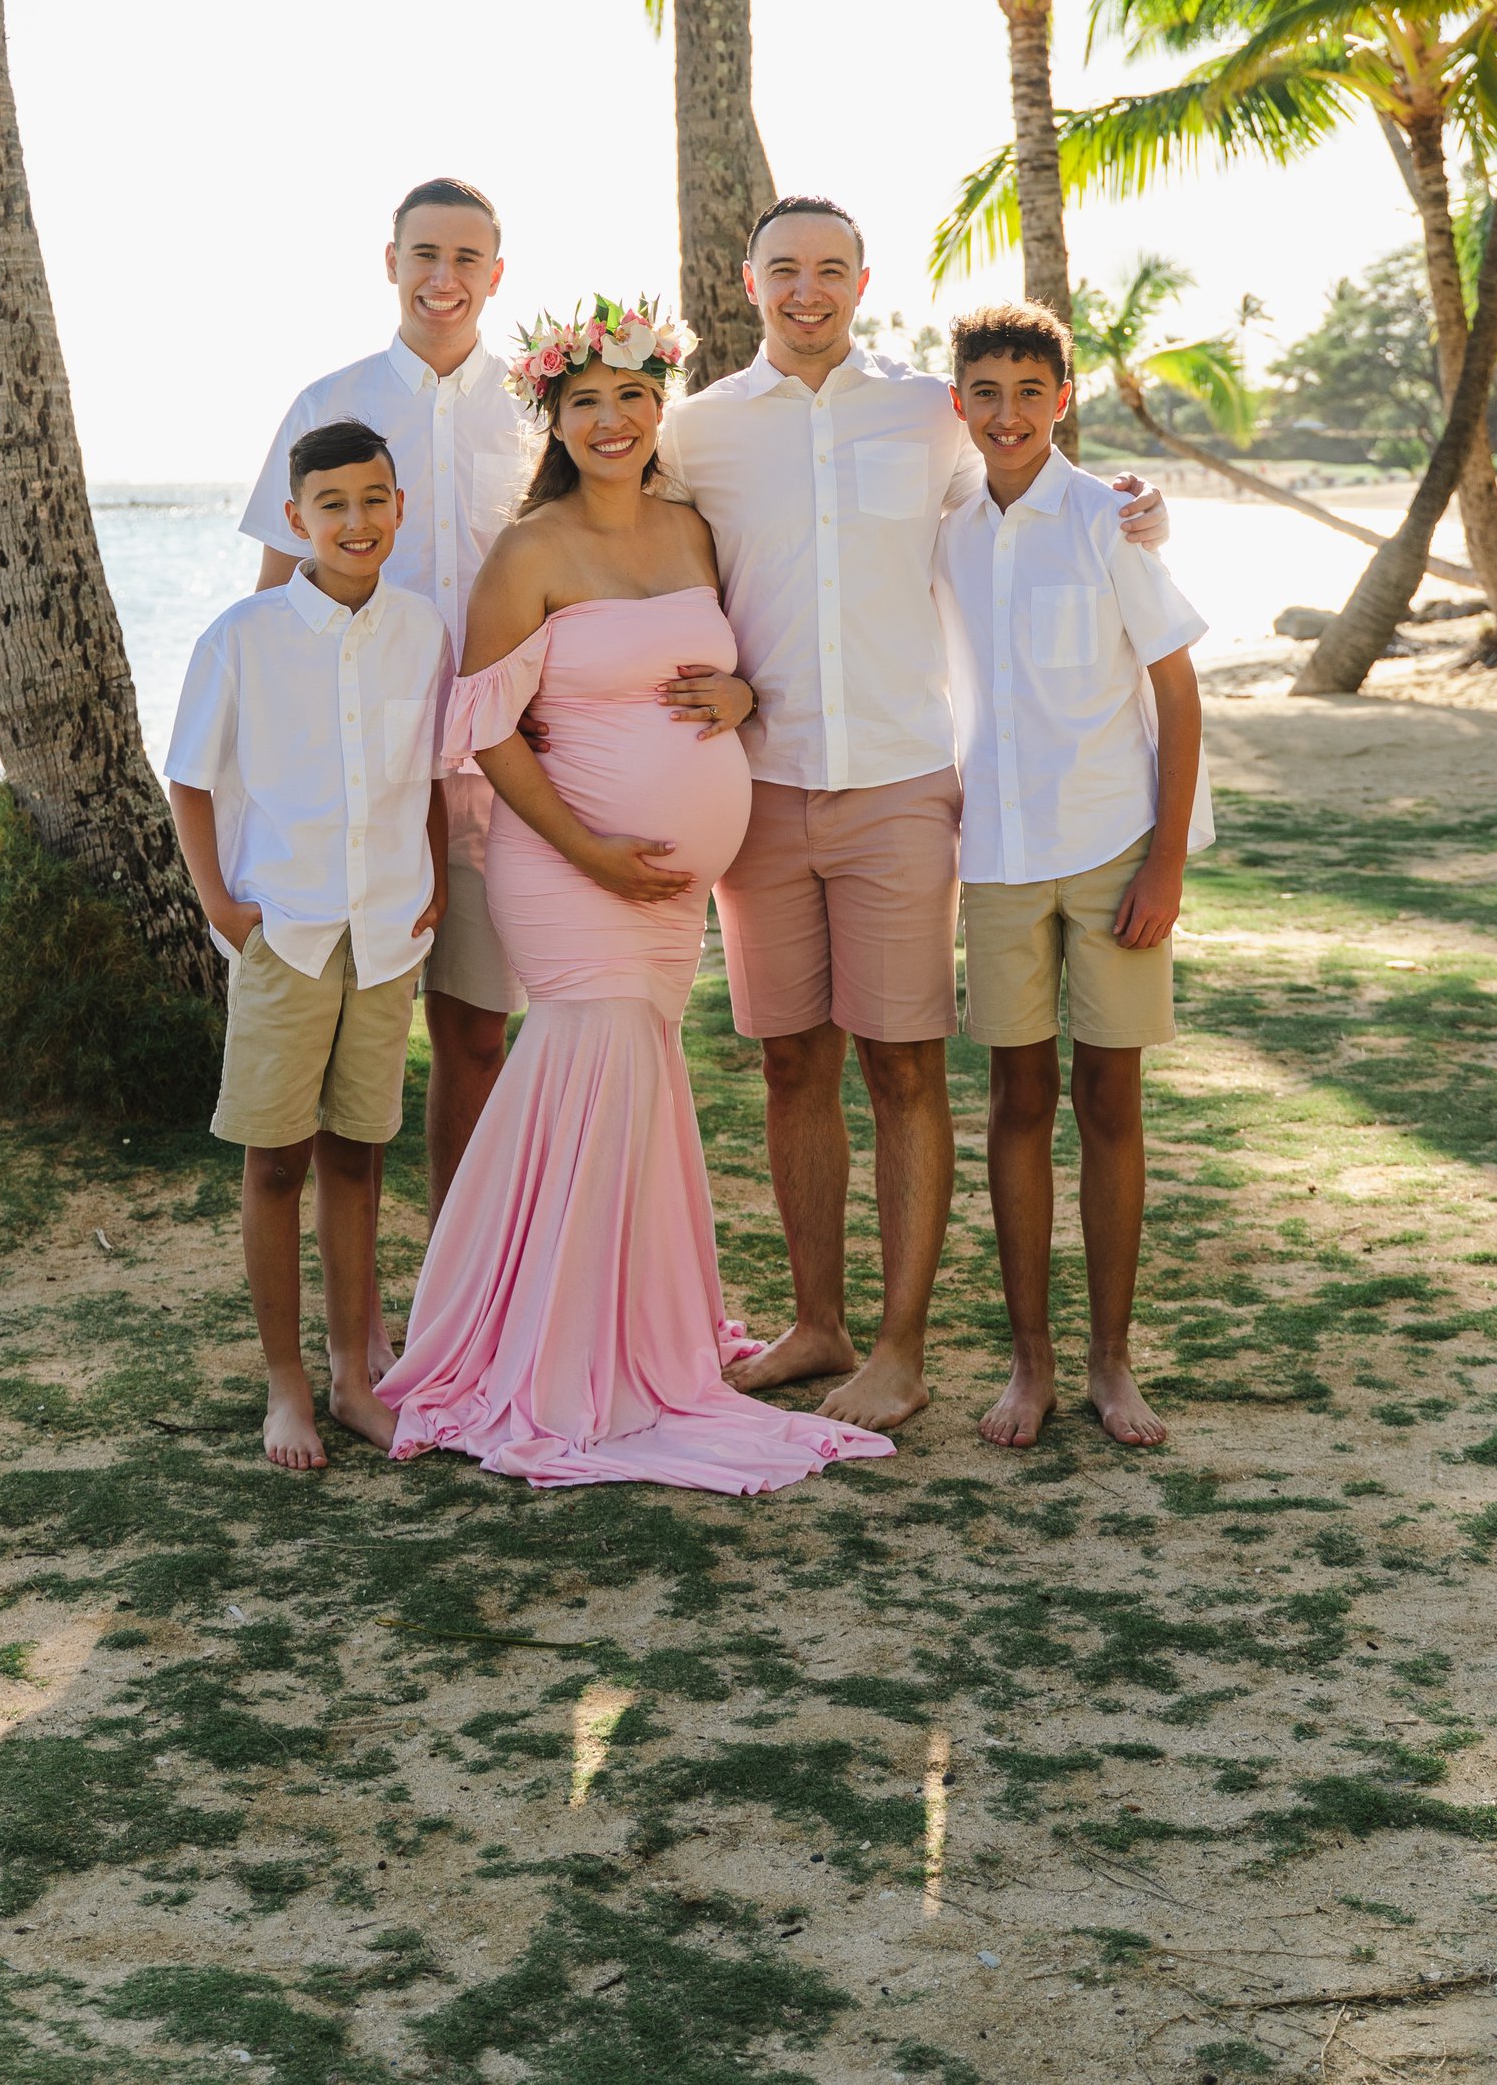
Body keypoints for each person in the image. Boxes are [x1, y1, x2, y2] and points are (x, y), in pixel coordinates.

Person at [657, 196, 1166, 1433]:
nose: (808, 290)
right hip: (762, 786)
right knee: (790, 1061)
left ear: (863, 280)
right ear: (748, 280)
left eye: (831, 269)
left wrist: (1131, 506)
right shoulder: (697, 430)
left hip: (899, 782)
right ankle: (816, 1322)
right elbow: (632, 542)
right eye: (785, 270)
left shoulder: (921, 412)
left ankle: (900, 1345)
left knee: (902, 1064)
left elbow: (1026, 465)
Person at [378, 299, 892, 1493]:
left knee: (633, 1087)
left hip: (667, 897)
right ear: (553, 420)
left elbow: (730, 667)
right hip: (566, 868)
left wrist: (746, 702)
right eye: (585, 402)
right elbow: (487, 731)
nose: (612, 419)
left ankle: (621, 1330)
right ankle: (535, 1346)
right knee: (584, 1064)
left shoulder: (693, 529)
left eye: (630, 396)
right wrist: (594, 854)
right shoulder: (531, 551)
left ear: (660, 404)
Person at [937, 305, 1210, 1452]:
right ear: (957, 406)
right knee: (1014, 1102)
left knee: (1108, 1099)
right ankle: (1029, 1360)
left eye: (1029, 391)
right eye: (985, 393)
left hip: (1110, 851)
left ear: (1063, 401)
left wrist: (1166, 860)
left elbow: (1178, 692)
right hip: (996, 855)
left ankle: (1109, 1358)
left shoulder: (1108, 521)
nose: (1007, 414)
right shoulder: (943, 528)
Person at [241, 177, 535, 1204]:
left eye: (466, 258)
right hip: (358, 784)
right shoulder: (328, 405)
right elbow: (274, 614)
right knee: (342, 1052)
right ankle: (354, 1313)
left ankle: (461, 1288)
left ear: (495, 275)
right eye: (425, 254)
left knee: (474, 1034)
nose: (443, 278)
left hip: (499, 773)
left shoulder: (536, 408)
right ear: (391, 262)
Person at [167, 421, 450, 1473]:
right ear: (295, 520)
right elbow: (189, 780)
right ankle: (285, 1384)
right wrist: (223, 910)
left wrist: (426, 882)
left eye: (374, 499)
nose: (355, 521)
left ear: (398, 508)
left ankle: (350, 1373)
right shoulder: (240, 636)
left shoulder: (422, 629)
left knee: (358, 1154)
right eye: (331, 505)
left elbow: (424, 769)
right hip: (282, 931)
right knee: (276, 1156)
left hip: (385, 931)